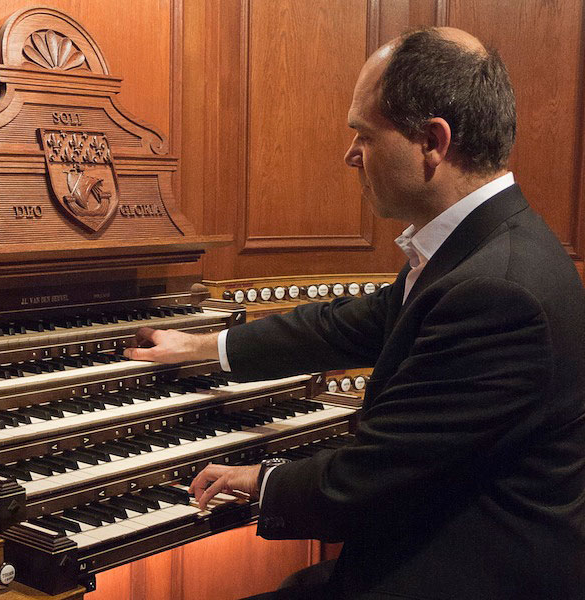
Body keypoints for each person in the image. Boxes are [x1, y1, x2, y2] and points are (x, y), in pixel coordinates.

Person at [124, 27, 585, 600]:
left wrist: (262, 481)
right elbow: (350, 323)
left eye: (364, 135)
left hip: (458, 573)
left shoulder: (498, 292)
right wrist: (201, 347)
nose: (351, 156)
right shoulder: (482, 249)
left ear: (433, 142)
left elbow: (377, 476)